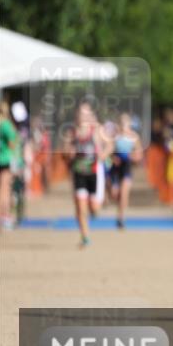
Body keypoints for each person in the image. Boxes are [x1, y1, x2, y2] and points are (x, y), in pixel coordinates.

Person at [63, 102, 110, 247]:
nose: (83, 117)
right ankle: (85, 237)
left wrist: (103, 155)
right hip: (79, 173)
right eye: (80, 114)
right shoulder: (71, 132)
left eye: (86, 114)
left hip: (94, 172)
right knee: (80, 206)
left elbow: (110, 144)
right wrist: (69, 153)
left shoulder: (96, 130)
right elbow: (64, 151)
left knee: (93, 207)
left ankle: (97, 206)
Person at [109, 112, 143, 229]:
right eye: (121, 122)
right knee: (115, 194)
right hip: (115, 169)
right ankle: (119, 210)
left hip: (127, 167)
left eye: (126, 122)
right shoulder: (115, 136)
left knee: (124, 194)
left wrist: (131, 157)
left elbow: (139, 156)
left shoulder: (134, 137)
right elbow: (108, 152)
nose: (123, 124)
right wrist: (113, 158)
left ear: (129, 123)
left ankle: (121, 218)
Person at [0, 101, 17, 230]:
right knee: (5, 189)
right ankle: (4, 216)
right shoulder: (5, 125)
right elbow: (12, 144)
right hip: (5, 160)